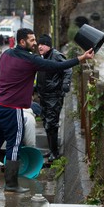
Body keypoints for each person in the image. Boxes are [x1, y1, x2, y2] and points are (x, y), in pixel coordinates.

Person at [0, 28, 94, 192]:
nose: (35, 43)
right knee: (14, 144)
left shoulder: (6, 54)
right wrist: (81, 58)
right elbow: (57, 66)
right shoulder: (30, 60)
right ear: (22, 41)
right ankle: (11, 184)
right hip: (12, 109)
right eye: (32, 40)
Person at [36, 34, 72, 162]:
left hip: (54, 95)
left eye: (43, 44)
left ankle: (55, 153)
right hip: (44, 95)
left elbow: (67, 68)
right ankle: (51, 150)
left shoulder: (56, 56)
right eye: (39, 44)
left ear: (49, 46)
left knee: (52, 123)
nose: (40, 46)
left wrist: (65, 84)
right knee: (46, 122)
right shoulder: (42, 57)